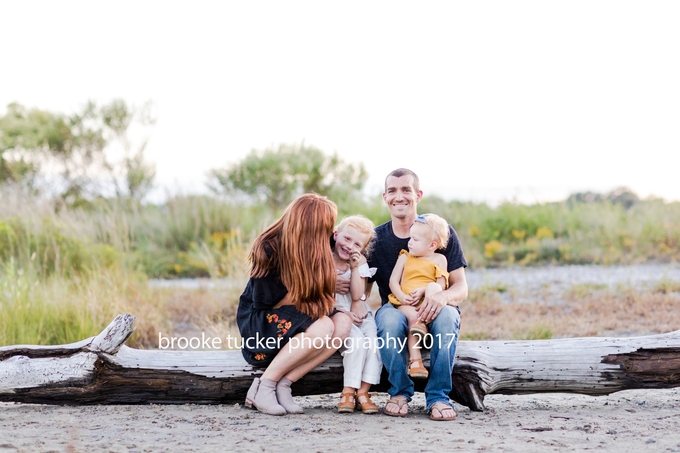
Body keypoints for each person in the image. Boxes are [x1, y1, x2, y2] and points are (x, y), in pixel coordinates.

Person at [237, 193, 352, 416]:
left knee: (343, 323)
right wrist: (323, 284)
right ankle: (264, 385)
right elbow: (268, 302)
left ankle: (284, 385)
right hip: (262, 321)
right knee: (324, 327)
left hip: (301, 308)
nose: (331, 229)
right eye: (327, 224)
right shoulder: (269, 248)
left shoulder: (320, 241)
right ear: (313, 227)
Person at [367, 168, 468, 421]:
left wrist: (441, 298)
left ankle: (438, 397)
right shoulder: (375, 239)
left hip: (437, 302)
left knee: (446, 320)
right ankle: (400, 392)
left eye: (406, 190)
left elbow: (461, 287)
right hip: (397, 304)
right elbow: (362, 290)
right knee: (388, 322)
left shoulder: (439, 232)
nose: (398, 196)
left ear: (418, 195)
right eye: (392, 190)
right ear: (385, 197)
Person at [387, 213, 450, 381]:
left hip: (429, 302)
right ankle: (416, 362)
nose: (409, 242)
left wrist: (424, 290)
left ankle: (422, 322)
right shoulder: (405, 257)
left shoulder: (440, 259)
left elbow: (441, 286)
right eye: (410, 238)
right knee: (413, 318)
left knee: (433, 286)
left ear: (432, 245)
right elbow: (393, 281)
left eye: (415, 239)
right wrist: (401, 296)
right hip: (407, 301)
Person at [331, 215, 382, 414]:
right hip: (338, 313)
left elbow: (357, 296)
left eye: (357, 244)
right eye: (346, 239)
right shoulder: (324, 259)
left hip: (359, 310)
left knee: (372, 340)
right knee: (356, 341)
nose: (350, 246)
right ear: (336, 235)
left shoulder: (359, 263)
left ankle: (363, 391)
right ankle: (347, 391)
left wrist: (354, 268)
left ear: (363, 248)